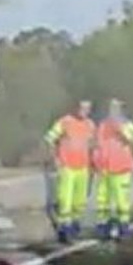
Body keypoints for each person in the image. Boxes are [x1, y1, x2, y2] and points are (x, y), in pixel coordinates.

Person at [45, 100, 96, 243]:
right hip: (67, 166)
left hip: (83, 167)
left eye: (87, 109)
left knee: (79, 200)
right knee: (65, 199)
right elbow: (50, 138)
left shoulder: (90, 125)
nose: (83, 111)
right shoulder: (65, 122)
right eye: (81, 108)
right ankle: (64, 228)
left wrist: (94, 164)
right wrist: (55, 158)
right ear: (75, 108)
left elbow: (92, 145)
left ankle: (75, 225)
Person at [93, 99, 133, 240]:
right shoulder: (102, 126)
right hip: (104, 168)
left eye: (116, 108)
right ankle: (103, 225)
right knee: (102, 199)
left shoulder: (129, 125)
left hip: (121, 168)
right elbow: (97, 144)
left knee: (122, 199)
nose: (113, 111)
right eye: (111, 108)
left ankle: (123, 225)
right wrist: (96, 162)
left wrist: (120, 127)